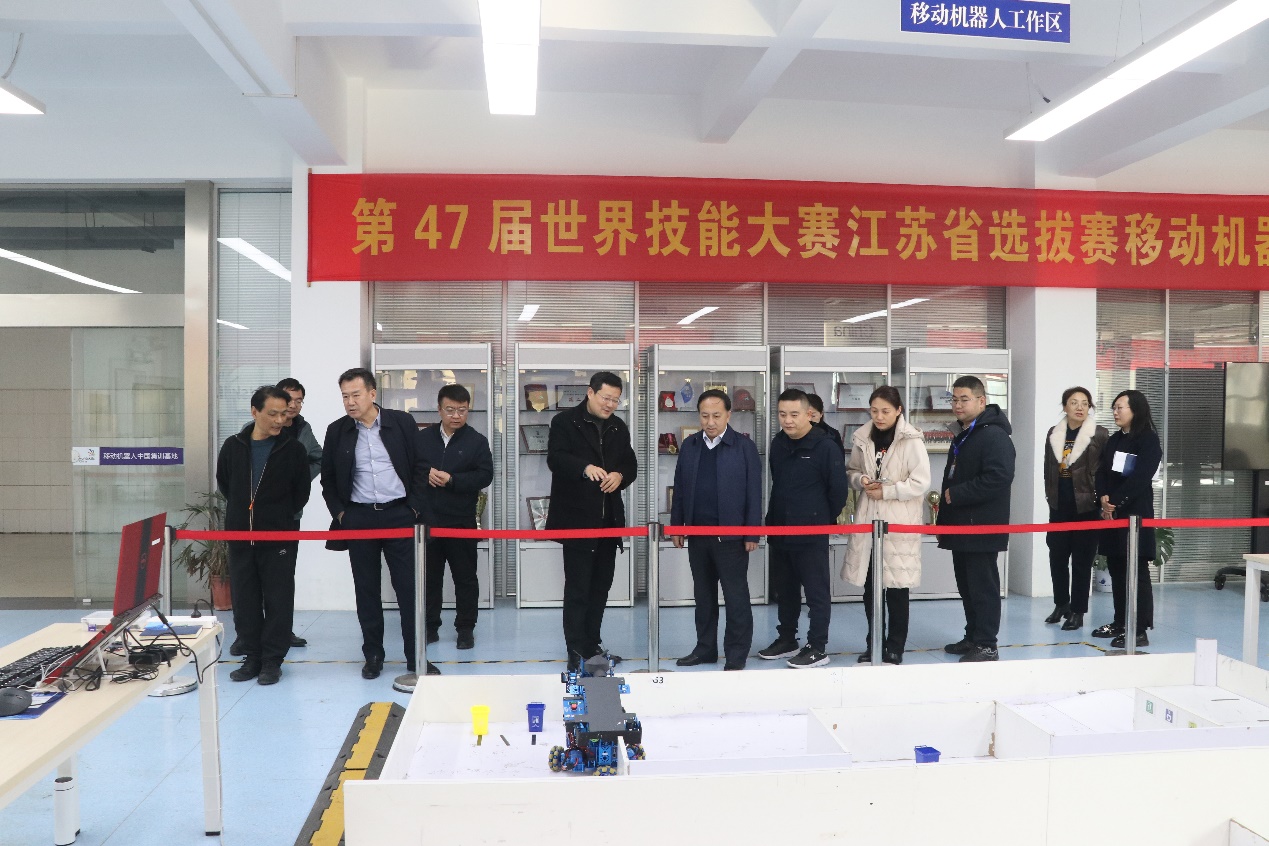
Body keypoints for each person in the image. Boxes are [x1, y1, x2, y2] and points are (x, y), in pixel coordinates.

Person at [321, 367, 436, 687]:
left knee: (409, 591)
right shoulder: (337, 430)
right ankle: (373, 655)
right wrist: (342, 515)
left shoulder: (401, 422)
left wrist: (414, 508)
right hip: (359, 519)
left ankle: (416, 658)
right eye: (345, 396)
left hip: (400, 515)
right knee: (366, 590)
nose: (350, 402)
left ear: (372, 394)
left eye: (356, 395)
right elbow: (328, 479)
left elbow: (421, 466)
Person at [215, 386, 311, 685]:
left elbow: (301, 492)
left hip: (278, 536)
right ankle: (252, 657)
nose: (280, 420)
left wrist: (277, 516)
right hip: (241, 536)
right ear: (254, 412)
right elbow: (225, 484)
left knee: (278, 599)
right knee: (245, 600)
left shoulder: (293, 449)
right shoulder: (233, 446)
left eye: (284, 414)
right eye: (273, 414)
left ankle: (272, 660)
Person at [546, 371, 638, 671]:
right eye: (605, 398)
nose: (610, 404)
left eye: (615, 400)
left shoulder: (618, 426)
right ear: (590, 393)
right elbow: (555, 458)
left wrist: (620, 475)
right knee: (578, 589)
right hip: (577, 519)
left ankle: (592, 643)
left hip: (608, 521)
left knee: (600, 588)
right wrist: (584, 468)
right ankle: (576, 648)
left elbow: (630, 463)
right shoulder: (565, 422)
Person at [670, 389, 762, 671]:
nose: (710, 422)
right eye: (705, 416)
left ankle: (736, 652)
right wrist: (677, 526)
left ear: (728, 415)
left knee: (736, 597)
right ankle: (705, 649)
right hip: (698, 536)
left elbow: (754, 492)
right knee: (703, 597)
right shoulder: (690, 445)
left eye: (716, 416)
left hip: (731, 538)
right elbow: (680, 489)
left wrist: (752, 533)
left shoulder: (744, 447)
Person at [758, 388, 848, 669]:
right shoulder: (778, 443)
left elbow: (838, 492)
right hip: (780, 529)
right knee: (785, 591)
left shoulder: (826, 446)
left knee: (816, 592)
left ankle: (817, 646)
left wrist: (818, 518)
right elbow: (778, 480)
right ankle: (787, 639)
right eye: (782, 414)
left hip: (811, 531)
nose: (788, 420)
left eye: (794, 414)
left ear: (809, 414)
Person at [842, 386, 929, 664]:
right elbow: (852, 471)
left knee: (896, 589)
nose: (879, 417)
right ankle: (875, 643)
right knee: (871, 589)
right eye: (874, 411)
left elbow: (921, 482)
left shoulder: (911, 440)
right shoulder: (862, 437)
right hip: (870, 520)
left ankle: (895, 646)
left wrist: (888, 491)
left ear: (898, 411)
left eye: (885, 411)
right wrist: (861, 481)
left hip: (898, 523)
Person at [937, 375, 1015, 663]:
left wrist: (958, 494)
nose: (958, 405)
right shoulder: (967, 432)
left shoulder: (994, 435)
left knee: (983, 587)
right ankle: (973, 636)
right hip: (962, 524)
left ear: (982, 401)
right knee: (967, 586)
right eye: (954, 399)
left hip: (980, 525)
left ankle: (986, 644)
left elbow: (999, 477)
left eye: (964, 399)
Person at [418, 384, 493, 650]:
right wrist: (424, 474)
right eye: (450, 410)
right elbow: (407, 469)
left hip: (461, 521)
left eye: (462, 410)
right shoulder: (422, 438)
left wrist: (453, 480)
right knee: (429, 579)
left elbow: (485, 475)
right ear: (439, 409)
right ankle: (429, 627)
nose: (456, 416)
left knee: (465, 578)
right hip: (428, 521)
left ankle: (465, 629)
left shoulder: (476, 441)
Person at [1094, 389, 1162, 648]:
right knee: (1117, 568)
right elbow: (1101, 471)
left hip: (1134, 514)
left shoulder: (1147, 440)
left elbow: (1140, 478)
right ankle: (1121, 622)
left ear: (1135, 409)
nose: (1115, 412)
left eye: (1120, 407)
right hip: (1112, 515)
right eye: (1114, 408)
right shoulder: (1114, 440)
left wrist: (1115, 502)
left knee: (1136, 572)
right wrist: (1103, 497)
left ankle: (1139, 629)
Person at [1042, 386, 1109, 632]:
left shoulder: (1099, 434)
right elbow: (1048, 467)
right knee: (1057, 557)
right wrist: (1049, 494)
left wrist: (1101, 497)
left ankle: (1078, 611)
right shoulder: (1054, 432)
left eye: (1084, 403)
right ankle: (1061, 604)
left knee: (1081, 561)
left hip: (1087, 506)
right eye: (1074, 402)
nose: (1080, 407)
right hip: (1059, 505)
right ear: (1065, 407)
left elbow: (1105, 470)